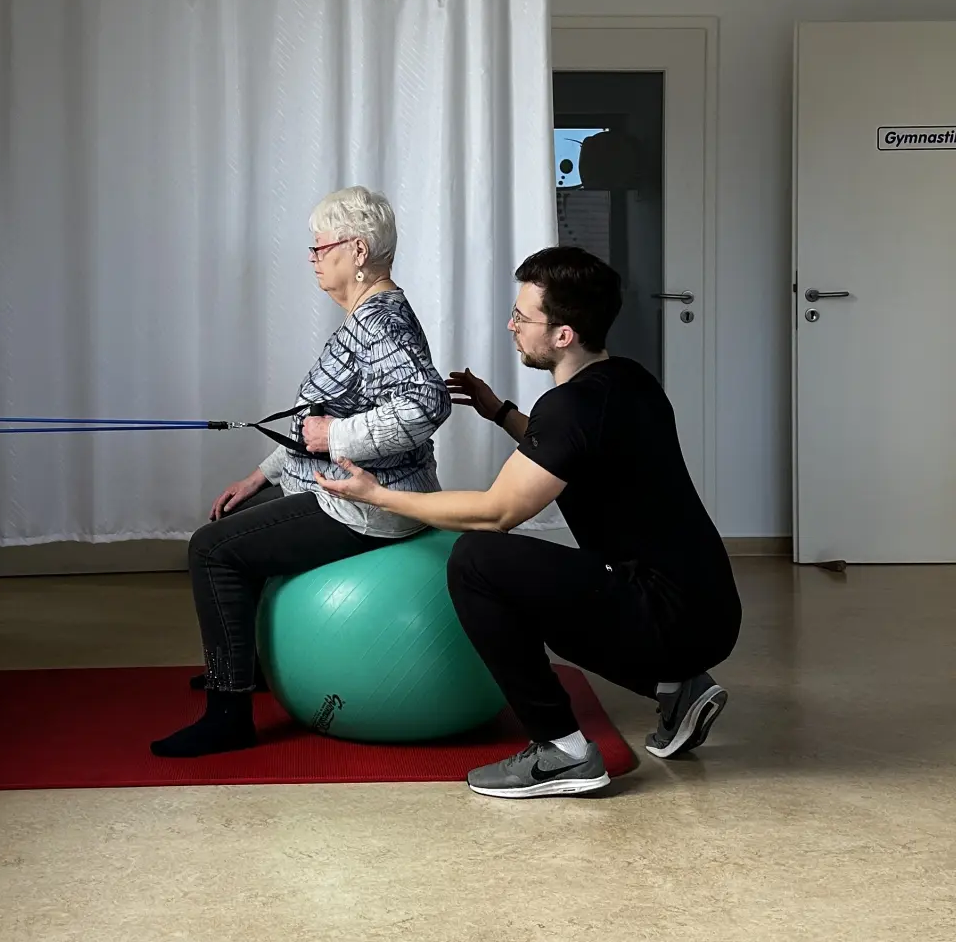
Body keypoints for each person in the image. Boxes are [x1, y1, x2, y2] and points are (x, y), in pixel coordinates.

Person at [316, 245, 742, 799]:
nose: (512, 325)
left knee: (478, 561)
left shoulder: (570, 410)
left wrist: (380, 496)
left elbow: (499, 510)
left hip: (668, 618)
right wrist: (499, 412)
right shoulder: (628, 381)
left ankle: (561, 750)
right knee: (548, 582)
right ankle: (676, 688)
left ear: (563, 335)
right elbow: (568, 450)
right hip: (709, 607)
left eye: (524, 317)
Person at [151, 186, 451, 758]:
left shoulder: (381, 323)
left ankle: (228, 709)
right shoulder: (370, 316)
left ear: (357, 251)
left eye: (321, 247)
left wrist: (334, 436)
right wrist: (262, 475)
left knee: (211, 550)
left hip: (371, 505)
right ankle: (249, 663)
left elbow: (425, 405)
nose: (313, 258)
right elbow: (319, 419)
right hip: (346, 488)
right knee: (240, 516)